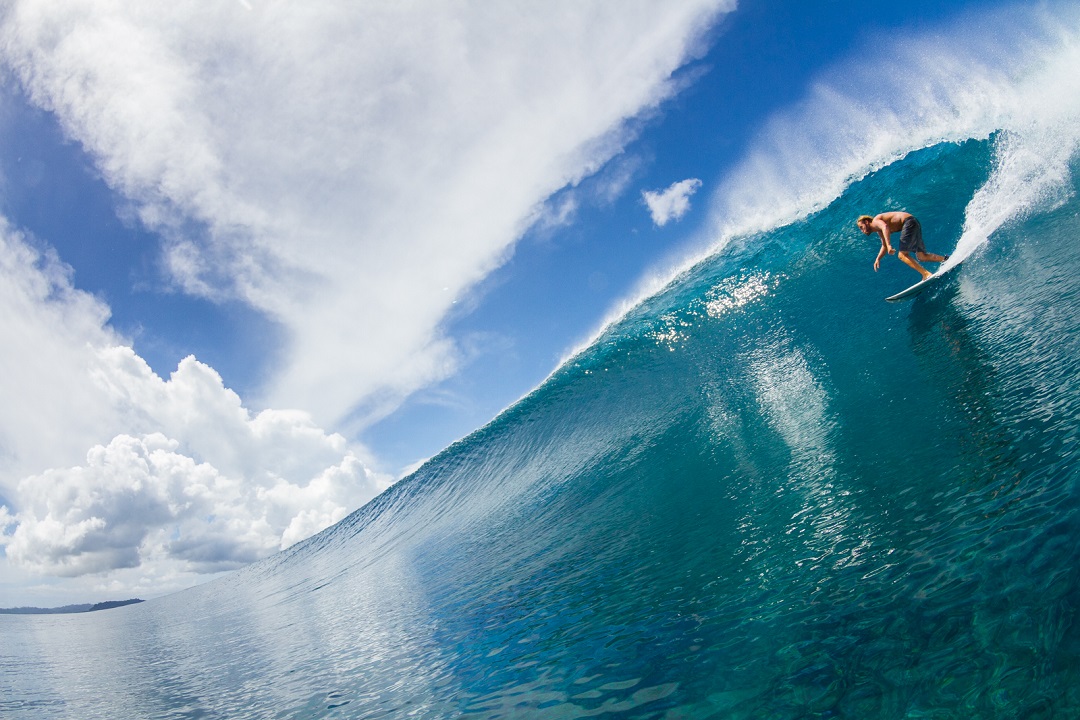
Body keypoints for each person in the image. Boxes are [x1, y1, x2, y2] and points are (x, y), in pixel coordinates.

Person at [857, 211, 948, 281]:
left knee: (902, 255)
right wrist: (878, 258)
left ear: (866, 222)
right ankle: (946, 259)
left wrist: (889, 245)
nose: (862, 231)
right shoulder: (878, 230)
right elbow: (884, 245)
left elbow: (885, 227)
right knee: (921, 256)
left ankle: (926, 274)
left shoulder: (876, 221)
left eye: (861, 227)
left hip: (908, 223)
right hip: (913, 222)